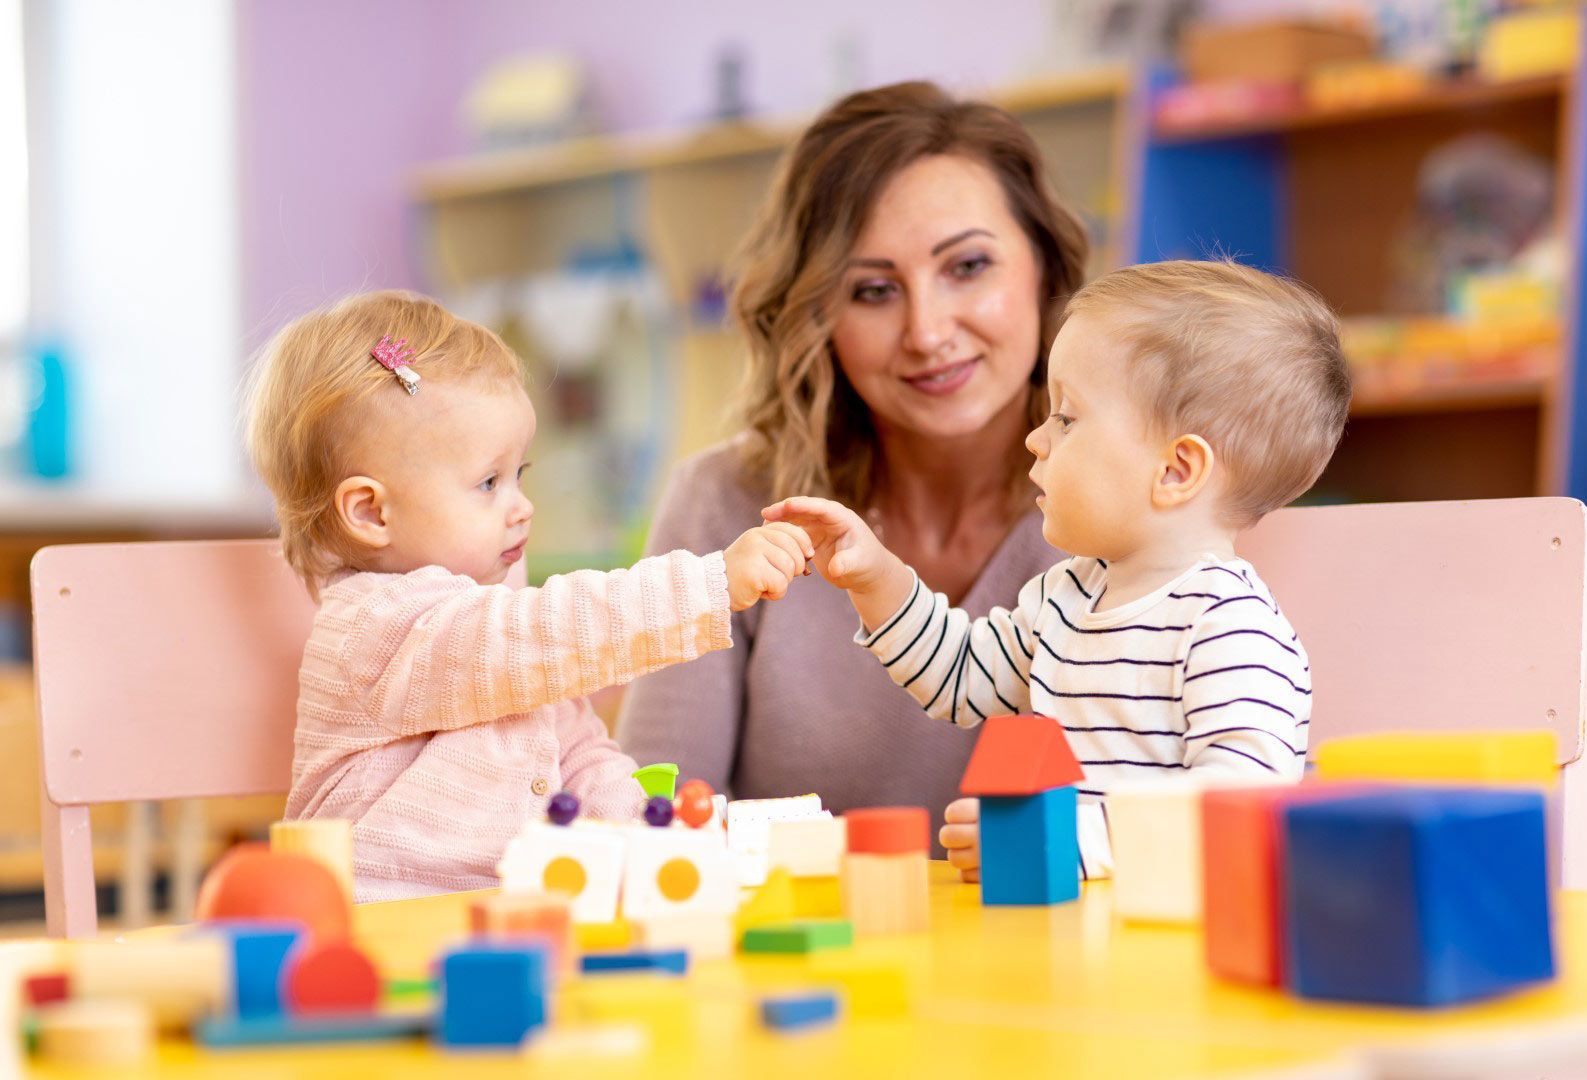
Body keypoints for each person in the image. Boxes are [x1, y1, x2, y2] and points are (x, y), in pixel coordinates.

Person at [767, 259, 1351, 879]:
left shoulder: (1228, 628)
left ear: (1177, 471)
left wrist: (1059, 842)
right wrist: (878, 578)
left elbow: (1242, 808)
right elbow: (960, 675)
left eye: (1066, 418)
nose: (1036, 439)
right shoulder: (1066, 595)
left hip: (1170, 950)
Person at [617, 82, 1088, 842]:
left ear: (1044, 267)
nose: (928, 332)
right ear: (817, 317)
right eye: (873, 290)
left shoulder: (1142, 512)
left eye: (968, 266)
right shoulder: (724, 504)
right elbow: (650, 820)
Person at [243, 290, 814, 900]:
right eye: (489, 482)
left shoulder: (500, 630)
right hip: (379, 921)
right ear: (371, 512)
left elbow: (582, 756)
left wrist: (657, 832)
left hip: (512, 912)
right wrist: (708, 585)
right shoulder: (375, 627)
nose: (523, 507)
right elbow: (545, 634)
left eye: (522, 474)